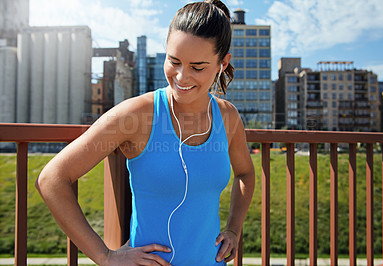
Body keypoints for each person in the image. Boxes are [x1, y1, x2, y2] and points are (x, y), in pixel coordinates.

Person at [36, 0, 255, 265]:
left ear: (222, 62)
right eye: (174, 61)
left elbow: (245, 173)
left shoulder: (228, 117)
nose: (182, 77)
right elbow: (52, 179)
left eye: (197, 67)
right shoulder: (136, 115)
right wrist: (105, 256)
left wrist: (233, 228)